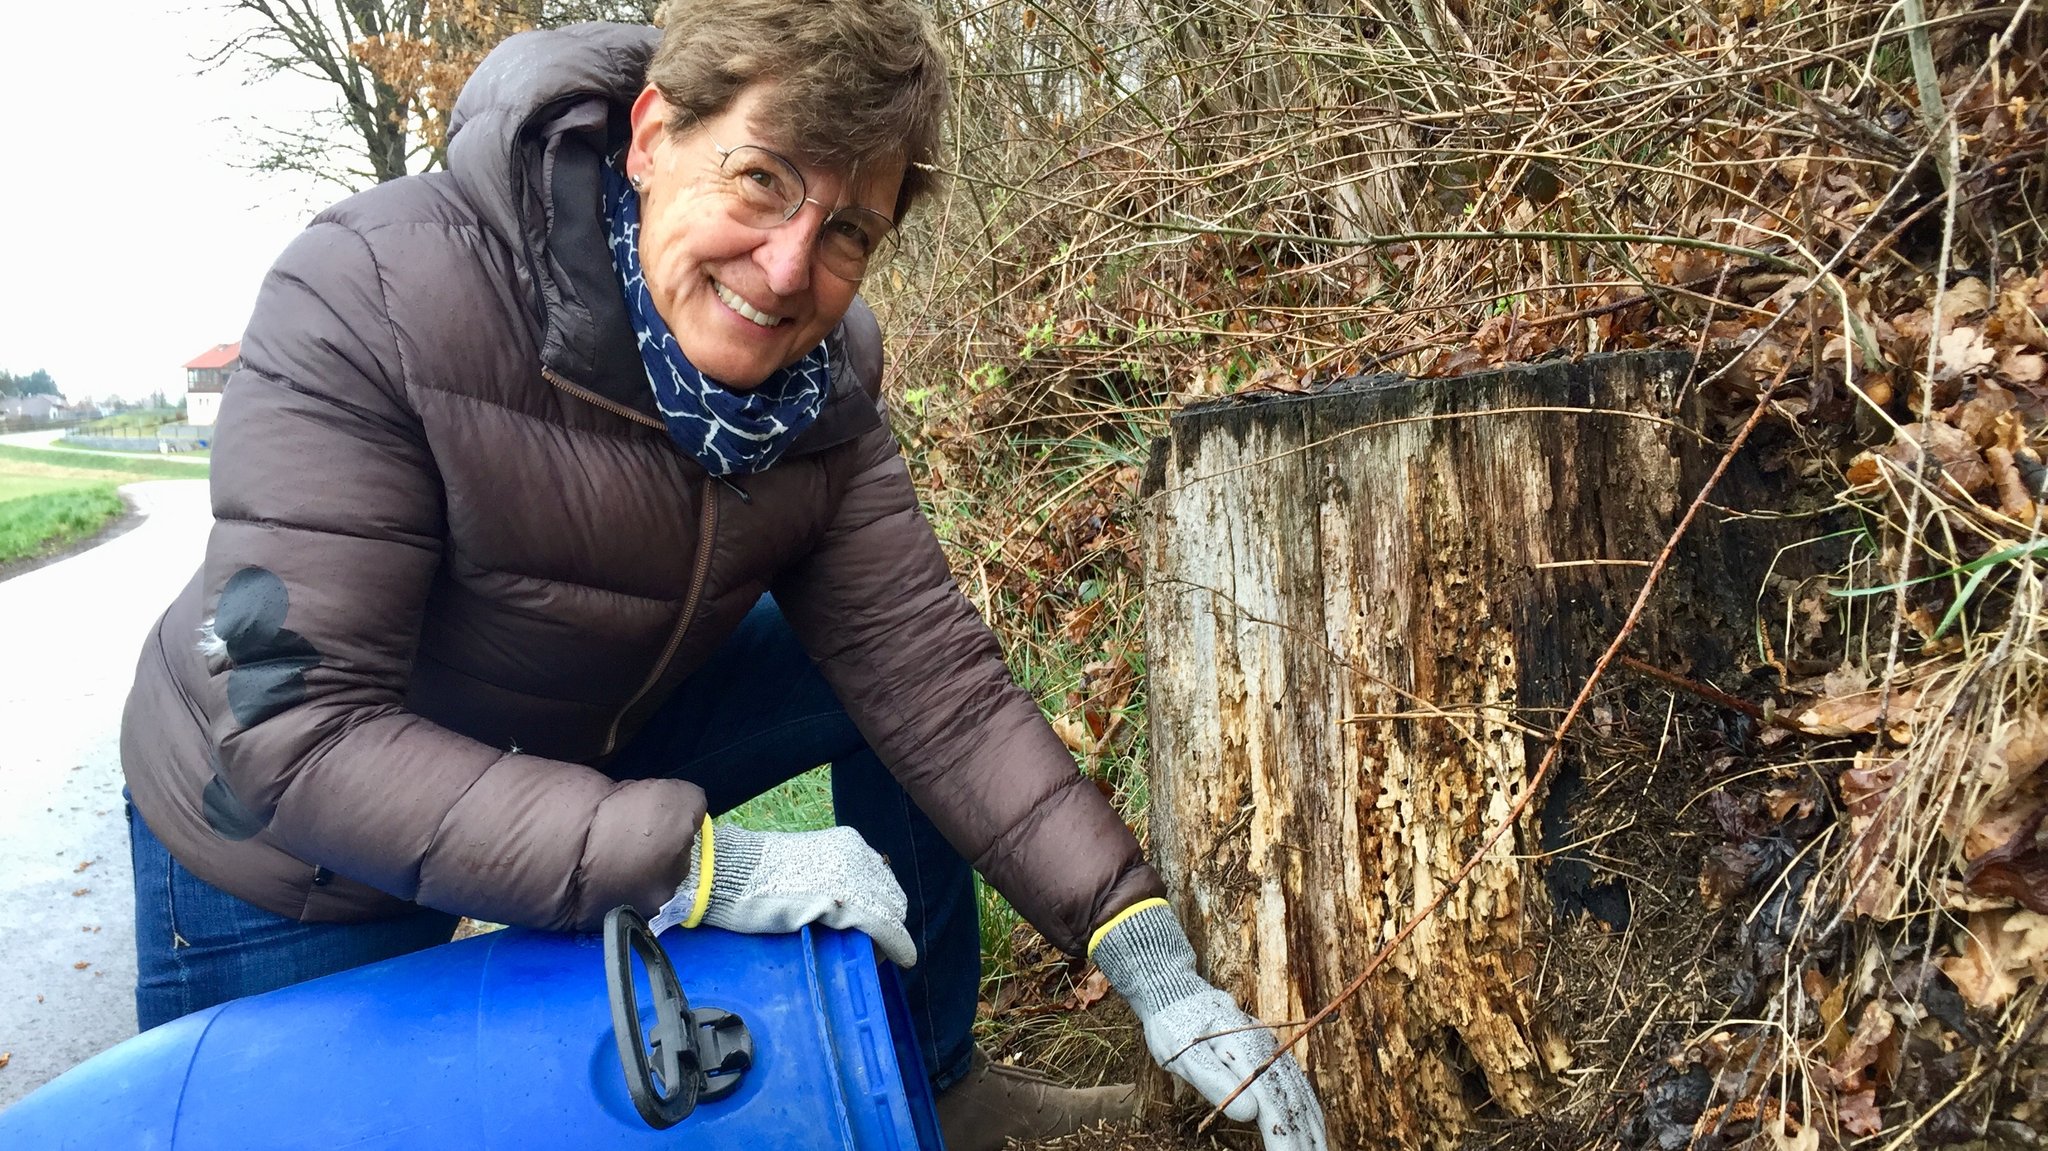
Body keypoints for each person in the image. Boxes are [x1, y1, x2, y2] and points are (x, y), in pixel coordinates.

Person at [117, 3, 1326, 1148]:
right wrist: (699, 865)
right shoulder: (375, 291)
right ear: (652, 136)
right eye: (763, 181)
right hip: (283, 839)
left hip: (585, 724)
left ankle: (936, 1075)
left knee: (857, 678)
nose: (790, 266)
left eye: (848, 228)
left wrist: (1149, 956)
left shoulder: (825, 387)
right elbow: (291, 720)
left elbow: (936, 689)